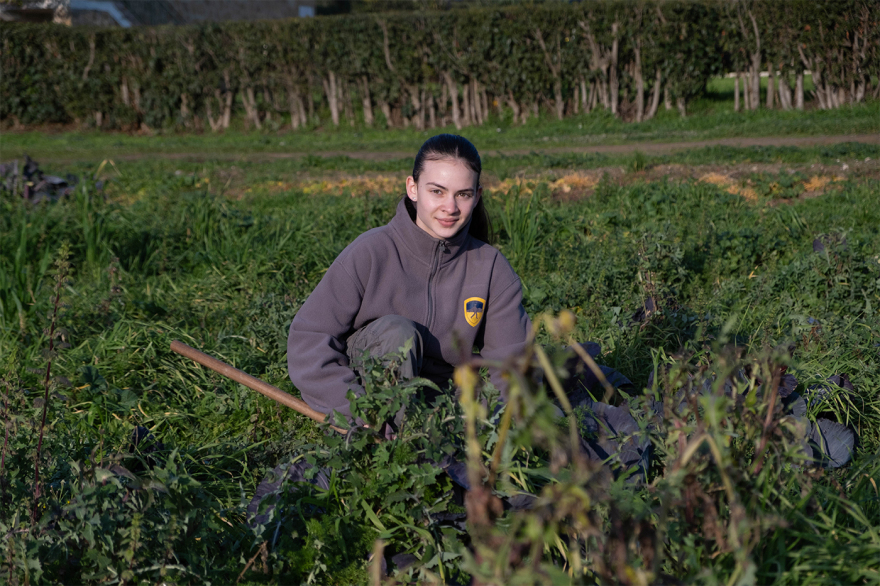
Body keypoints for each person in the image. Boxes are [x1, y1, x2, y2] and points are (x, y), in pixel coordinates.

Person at [286, 133, 530, 425]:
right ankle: (397, 441)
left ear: (476, 197)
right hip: (373, 399)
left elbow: (508, 364)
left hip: (446, 401)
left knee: (554, 410)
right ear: (413, 189)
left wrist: (500, 426)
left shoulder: (491, 267)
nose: (450, 207)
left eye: (462, 194)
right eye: (437, 191)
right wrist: (354, 409)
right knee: (397, 333)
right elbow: (309, 338)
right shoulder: (371, 252)